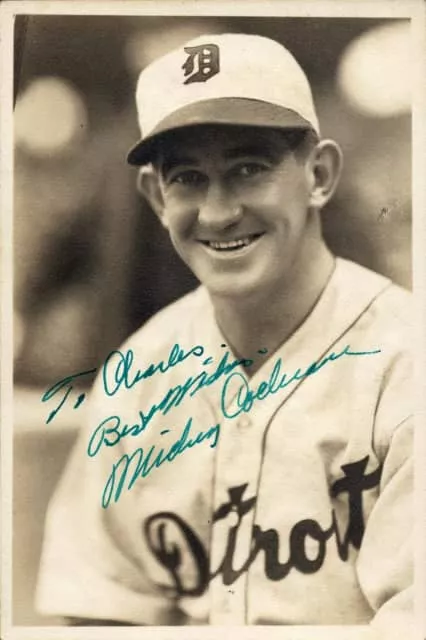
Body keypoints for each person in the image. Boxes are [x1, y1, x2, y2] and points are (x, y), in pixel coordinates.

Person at [36, 33, 413, 634]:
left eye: (248, 169)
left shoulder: (404, 363)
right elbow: (101, 612)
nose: (217, 212)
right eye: (187, 177)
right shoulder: (138, 374)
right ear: (156, 198)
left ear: (319, 174)